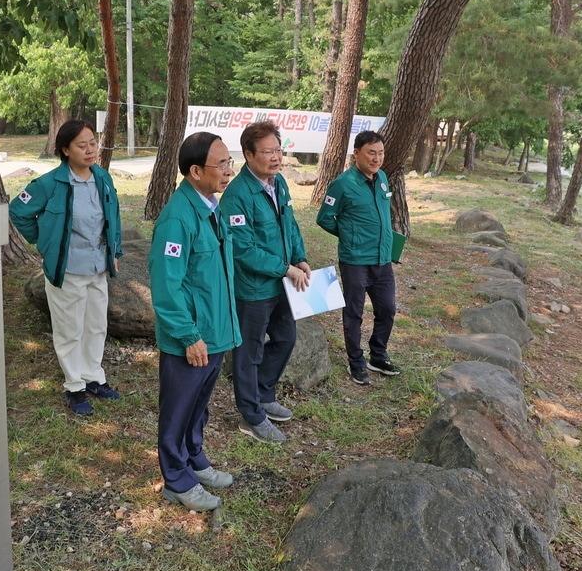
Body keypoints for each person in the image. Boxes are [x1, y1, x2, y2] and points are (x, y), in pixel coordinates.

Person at [149, 131, 241, 511]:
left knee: (198, 406)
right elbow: (165, 286)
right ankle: (176, 479)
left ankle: (194, 459)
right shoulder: (177, 218)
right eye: (221, 164)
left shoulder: (210, 206)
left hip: (214, 332)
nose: (229, 171)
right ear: (195, 171)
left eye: (229, 162)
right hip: (191, 339)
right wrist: (188, 336)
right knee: (178, 410)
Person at [9, 120, 124, 416]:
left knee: (96, 325)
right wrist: (45, 242)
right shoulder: (49, 184)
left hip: (98, 266)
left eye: (92, 143)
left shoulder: (102, 177)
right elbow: (18, 211)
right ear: (65, 150)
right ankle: (74, 386)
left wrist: (115, 250)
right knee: (69, 330)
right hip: (68, 269)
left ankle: (94, 377)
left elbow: (113, 215)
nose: (90, 150)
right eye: (81, 145)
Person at [219, 121, 310, 444]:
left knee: (286, 337)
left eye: (278, 151)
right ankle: (251, 414)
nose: (275, 158)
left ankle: (263, 392)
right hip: (254, 287)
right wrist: (285, 268)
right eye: (268, 152)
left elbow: (290, 224)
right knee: (250, 350)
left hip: (282, 281)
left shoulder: (279, 183)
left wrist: (300, 258)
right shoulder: (237, 195)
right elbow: (243, 249)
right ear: (248, 154)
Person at [317, 129, 399, 385]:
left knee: (387, 309)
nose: (377, 158)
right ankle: (356, 362)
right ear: (357, 154)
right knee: (354, 313)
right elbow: (324, 218)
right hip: (355, 260)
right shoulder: (342, 184)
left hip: (382, 259)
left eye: (381, 153)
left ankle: (378, 355)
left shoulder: (382, 177)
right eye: (371, 153)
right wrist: (350, 235)